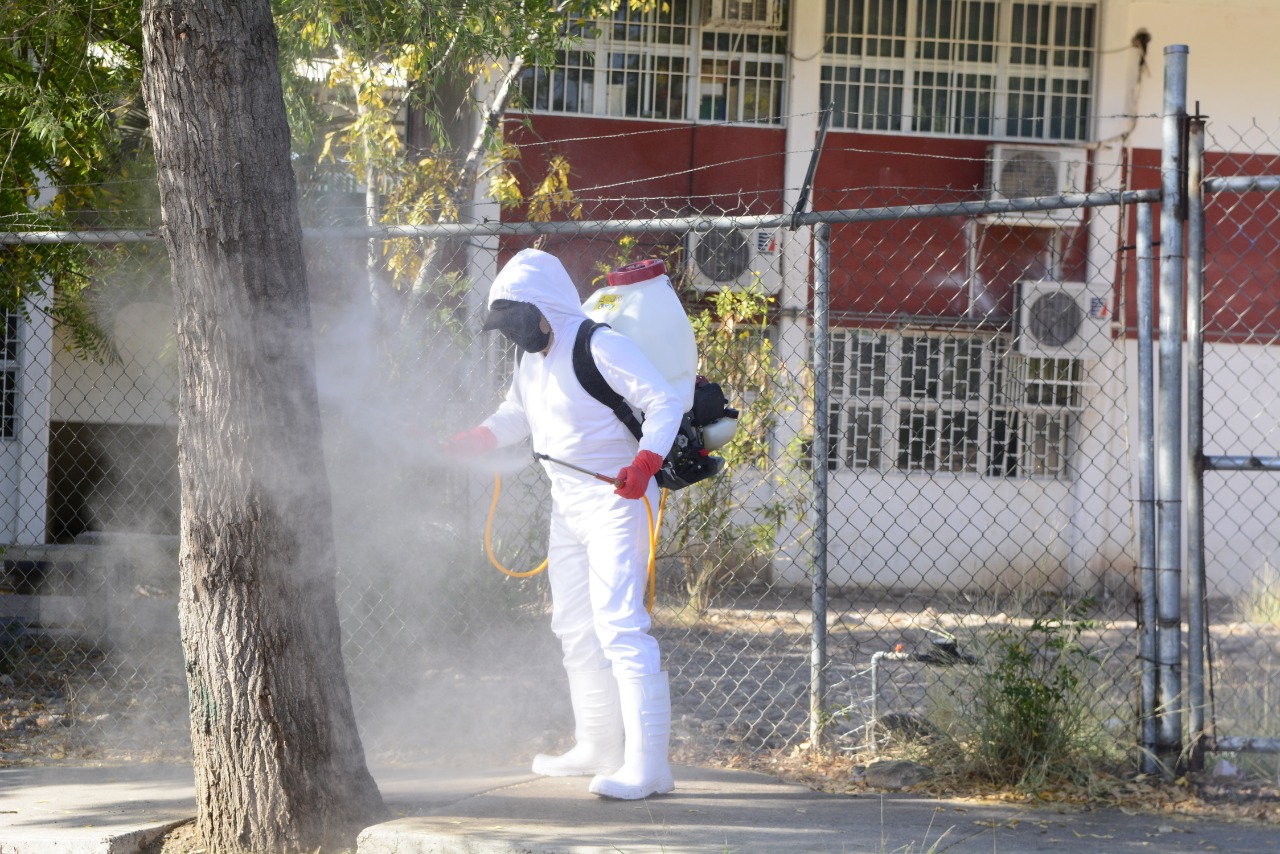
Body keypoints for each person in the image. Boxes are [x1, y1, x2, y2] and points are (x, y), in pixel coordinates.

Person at [448, 248, 684, 799]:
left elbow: (664, 402)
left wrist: (645, 463)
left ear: (545, 309)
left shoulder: (600, 345)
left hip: (619, 499)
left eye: (517, 322)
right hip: (569, 503)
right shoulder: (532, 360)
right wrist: (478, 438)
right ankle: (598, 746)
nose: (513, 335)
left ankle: (649, 767)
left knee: (620, 626)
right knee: (574, 627)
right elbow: (517, 414)